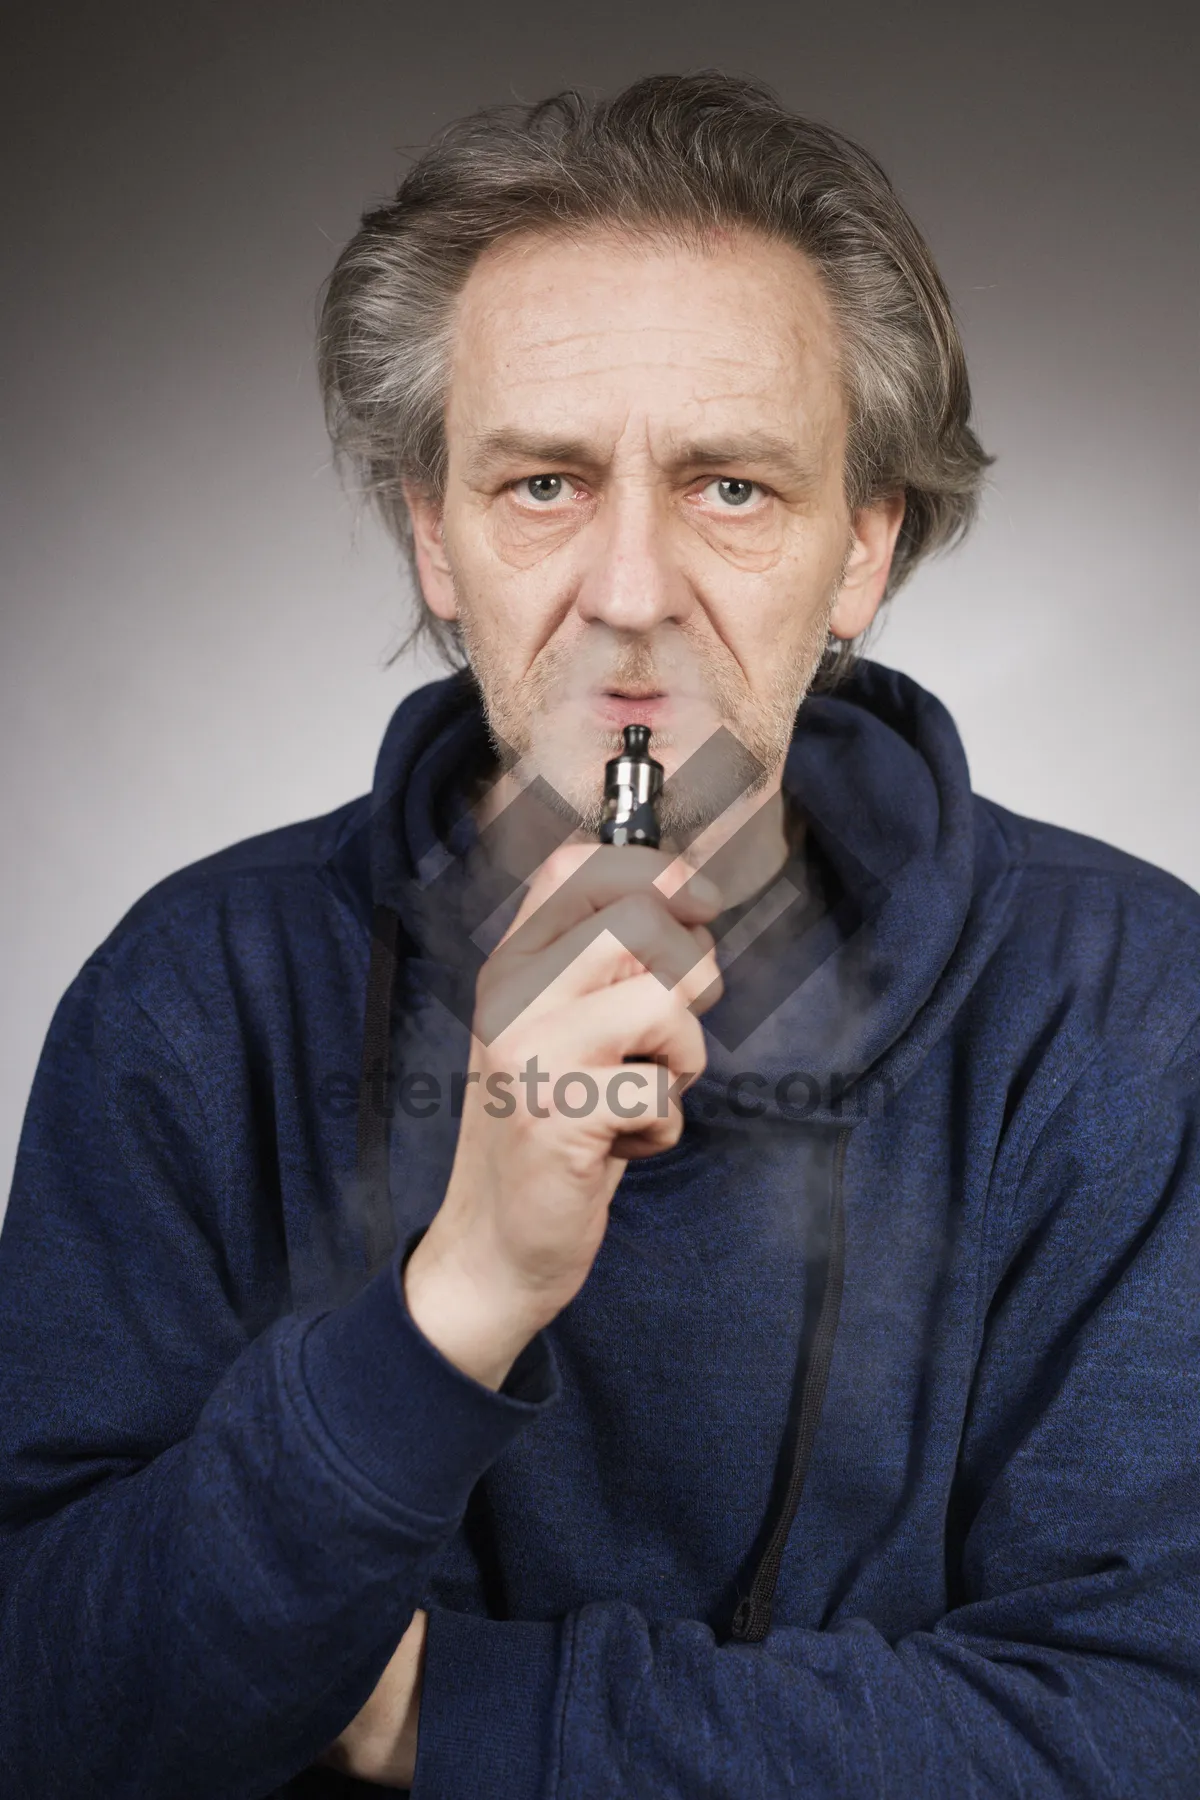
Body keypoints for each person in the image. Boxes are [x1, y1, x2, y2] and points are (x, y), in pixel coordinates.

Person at [1, 70, 1197, 1800]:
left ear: (863, 549)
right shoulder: (195, 994)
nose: (631, 592)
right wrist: (463, 1289)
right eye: (546, 483)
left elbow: (1149, 1736)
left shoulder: (1127, 1007)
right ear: (435, 532)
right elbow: (40, 1712)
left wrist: (451, 1718)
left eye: (731, 489)